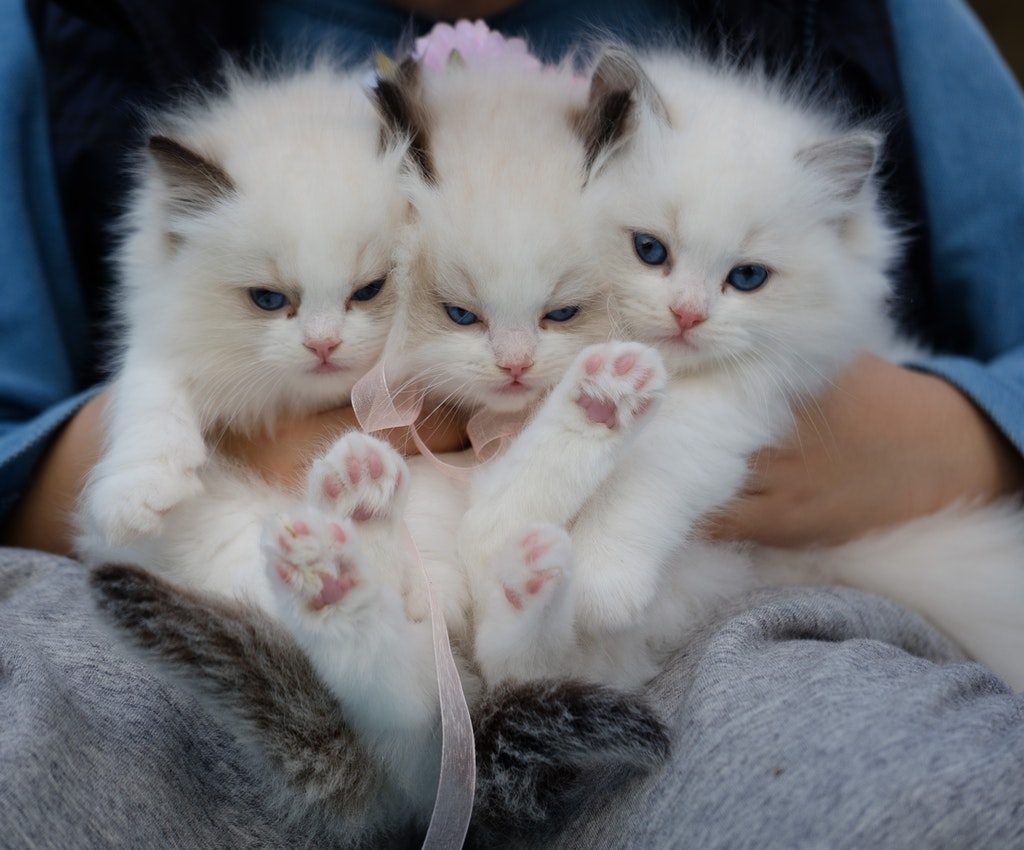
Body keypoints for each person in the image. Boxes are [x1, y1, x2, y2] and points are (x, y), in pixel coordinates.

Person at [1, 1, 1023, 847]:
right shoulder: (66, 31)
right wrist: (198, 429)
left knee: (915, 792)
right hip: (220, 635)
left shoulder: (867, 21)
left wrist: (936, 437)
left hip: (719, 631)